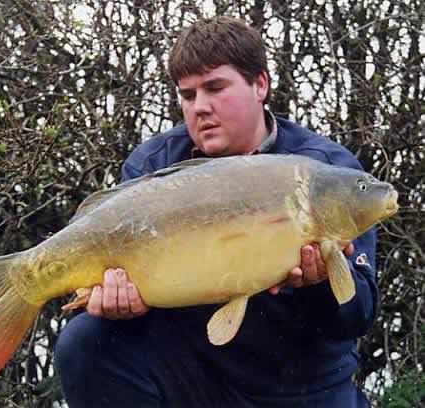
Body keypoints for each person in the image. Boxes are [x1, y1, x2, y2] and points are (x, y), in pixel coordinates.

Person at [54, 16, 377, 408]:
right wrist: (118, 303)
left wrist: (319, 286)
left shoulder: (325, 173)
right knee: (85, 341)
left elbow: (357, 314)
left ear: (260, 84)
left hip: (302, 385)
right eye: (188, 96)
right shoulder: (154, 166)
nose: (200, 107)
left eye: (215, 88)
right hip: (196, 374)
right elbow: (125, 287)